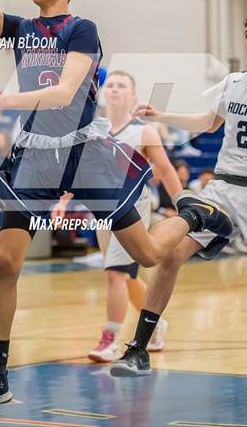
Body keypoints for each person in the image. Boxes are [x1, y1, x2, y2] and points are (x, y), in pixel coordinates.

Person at [0, 0, 233, 408]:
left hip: (84, 151)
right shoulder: (21, 29)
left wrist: (2, 100)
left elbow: (64, 93)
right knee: (6, 263)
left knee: (146, 255)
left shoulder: (81, 29)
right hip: (36, 156)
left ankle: (195, 215)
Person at [110, 14, 247, 377]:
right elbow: (207, 123)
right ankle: (139, 348)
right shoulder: (233, 83)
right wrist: (162, 115)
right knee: (172, 254)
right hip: (224, 187)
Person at [87, 70, 183, 362]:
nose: (115, 89)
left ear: (133, 95)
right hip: (103, 212)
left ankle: (110, 339)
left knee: (115, 273)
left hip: (133, 210)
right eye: (111, 85)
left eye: (122, 86)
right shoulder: (94, 131)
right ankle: (155, 324)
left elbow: (166, 170)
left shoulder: (145, 132)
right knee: (127, 277)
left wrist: (184, 205)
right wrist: (63, 200)